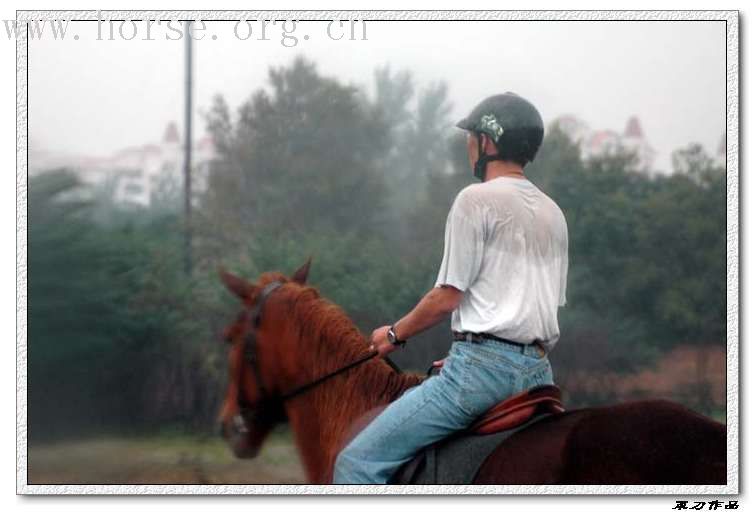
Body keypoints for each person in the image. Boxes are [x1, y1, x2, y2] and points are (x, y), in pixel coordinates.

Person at [333, 92, 569, 484]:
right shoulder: (554, 213)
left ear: (488, 142)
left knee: (355, 463)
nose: (468, 146)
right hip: (539, 376)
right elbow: (530, 307)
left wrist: (393, 335)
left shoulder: (474, 200)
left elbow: (447, 297)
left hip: (480, 376)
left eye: (471, 137)